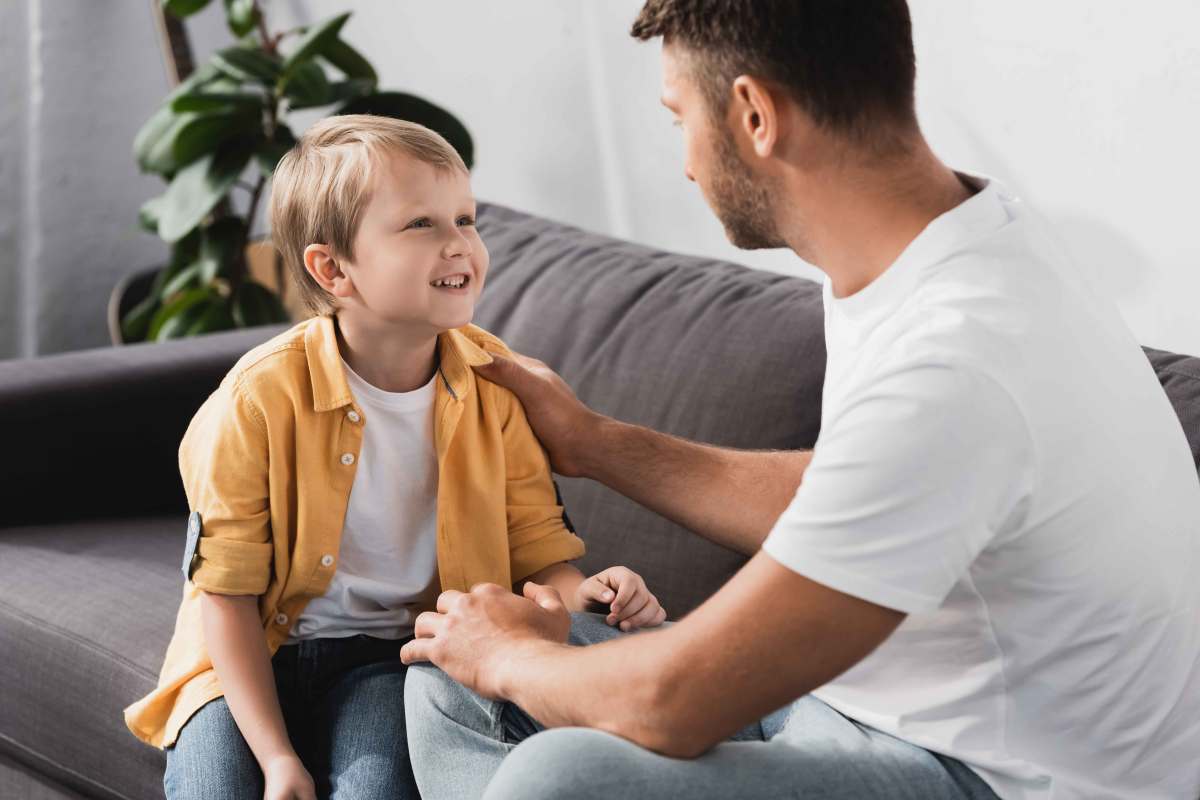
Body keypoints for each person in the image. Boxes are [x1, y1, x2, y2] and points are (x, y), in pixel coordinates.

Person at [399, 2, 1200, 799]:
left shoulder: (955, 362)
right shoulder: (956, 249)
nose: (683, 161)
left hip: (991, 774)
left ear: (754, 114)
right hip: (859, 704)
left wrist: (509, 657)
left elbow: (670, 704)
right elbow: (860, 493)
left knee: (557, 775)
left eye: (680, 118)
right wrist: (593, 443)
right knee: (450, 676)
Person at [122, 114, 666, 800]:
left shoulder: (498, 384)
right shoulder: (254, 402)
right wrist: (278, 759)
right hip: (240, 662)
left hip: (392, 660)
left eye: (465, 219)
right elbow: (224, 601)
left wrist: (585, 597)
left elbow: (537, 555)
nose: (459, 244)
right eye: (422, 225)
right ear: (332, 268)